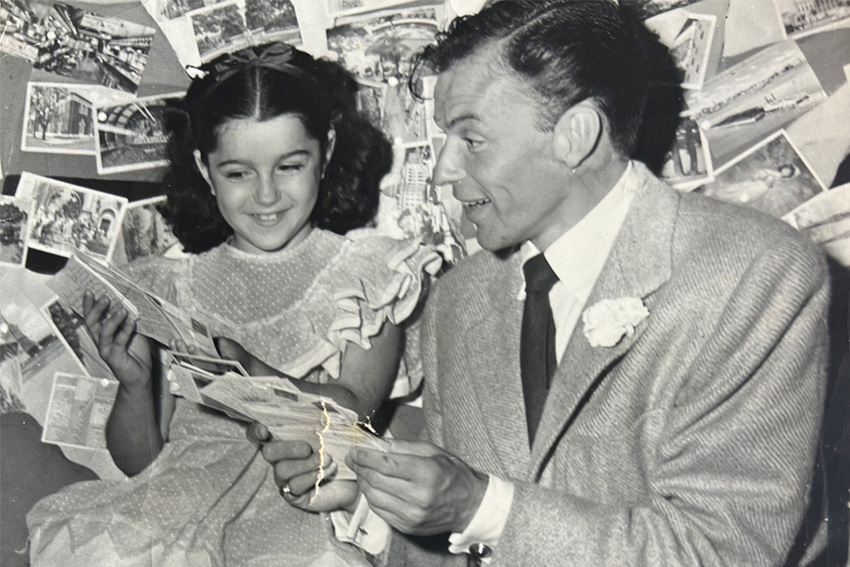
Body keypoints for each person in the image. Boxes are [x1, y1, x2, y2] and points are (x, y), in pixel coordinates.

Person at [260, 2, 831, 566]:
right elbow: (462, 536)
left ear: (575, 137)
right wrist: (377, 503)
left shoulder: (756, 277)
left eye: (472, 140)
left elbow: (721, 553)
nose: (443, 172)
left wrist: (479, 507)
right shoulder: (458, 299)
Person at [25, 41, 438, 567]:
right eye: (238, 173)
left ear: (326, 151)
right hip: (173, 504)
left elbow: (353, 407)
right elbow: (140, 461)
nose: (266, 197)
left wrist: (252, 372)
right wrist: (134, 384)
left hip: (303, 504)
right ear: (203, 167)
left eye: (289, 166)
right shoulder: (170, 284)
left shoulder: (367, 276)